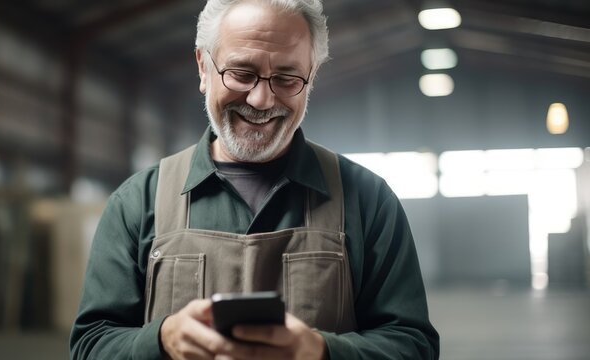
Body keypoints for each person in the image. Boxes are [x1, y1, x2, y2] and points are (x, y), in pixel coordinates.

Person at [70, 0, 440, 358]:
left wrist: (322, 351)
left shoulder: (367, 200)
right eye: (242, 73)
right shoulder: (138, 202)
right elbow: (91, 345)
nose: (262, 99)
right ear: (203, 67)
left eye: (287, 77)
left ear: (312, 77)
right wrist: (162, 340)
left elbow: (413, 344)